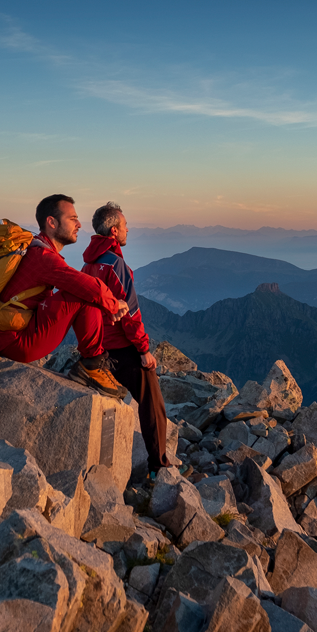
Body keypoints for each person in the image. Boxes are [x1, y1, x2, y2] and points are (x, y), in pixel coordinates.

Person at [0, 193, 131, 399]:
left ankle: (92, 363)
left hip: (10, 335)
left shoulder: (35, 247)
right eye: (72, 219)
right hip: (17, 344)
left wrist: (108, 304)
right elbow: (84, 285)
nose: (79, 224)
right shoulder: (43, 257)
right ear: (51, 222)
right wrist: (113, 305)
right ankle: (92, 364)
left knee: (84, 292)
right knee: (84, 293)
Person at [82, 202, 174, 474]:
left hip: (98, 351)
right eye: (124, 225)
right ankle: (159, 466)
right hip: (122, 349)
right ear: (114, 231)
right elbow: (130, 312)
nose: (128, 229)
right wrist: (144, 350)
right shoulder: (115, 265)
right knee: (152, 405)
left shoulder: (89, 264)